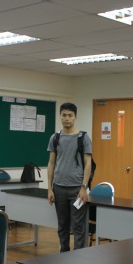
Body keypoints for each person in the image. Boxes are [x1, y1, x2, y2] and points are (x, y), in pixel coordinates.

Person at [47, 102, 93, 252]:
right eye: (64, 115)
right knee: (62, 225)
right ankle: (64, 254)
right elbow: (51, 163)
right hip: (58, 188)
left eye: (70, 115)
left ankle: (79, 257)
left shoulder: (83, 138)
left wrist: (84, 187)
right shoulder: (55, 138)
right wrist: (49, 188)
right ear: (60, 116)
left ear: (75, 117)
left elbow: (88, 164)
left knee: (78, 226)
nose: (67, 118)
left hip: (77, 189)